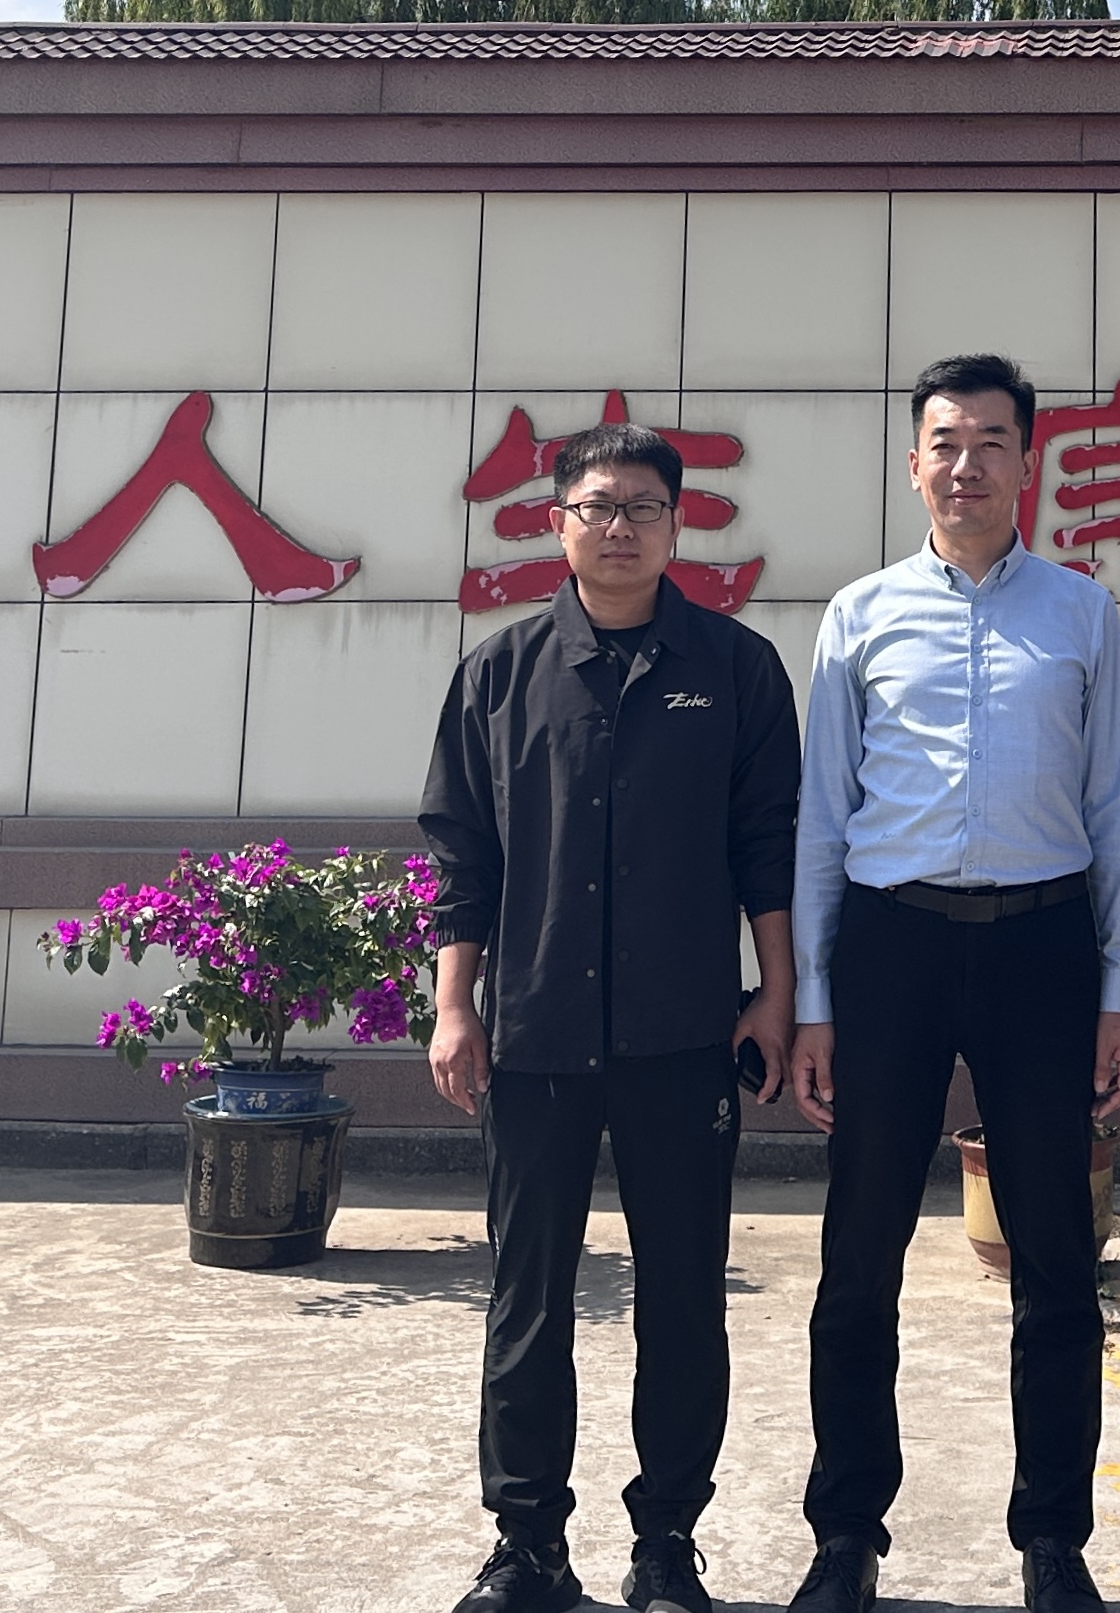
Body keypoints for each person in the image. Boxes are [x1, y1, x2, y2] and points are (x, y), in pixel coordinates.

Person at [783, 352, 1120, 1613]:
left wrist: (1118, 990)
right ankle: (846, 1533)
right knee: (859, 1253)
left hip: (1041, 949)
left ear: (1026, 462)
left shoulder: (1080, 614)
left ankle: (1053, 1539)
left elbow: (1114, 805)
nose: (967, 463)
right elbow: (822, 817)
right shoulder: (859, 614)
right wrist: (814, 1001)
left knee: (1054, 1257)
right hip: (891, 946)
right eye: (945, 441)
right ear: (913, 463)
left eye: (992, 440)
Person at [419, 419, 803, 1613]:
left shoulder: (735, 668)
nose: (620, 526)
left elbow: (769, 846)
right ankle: (526, 1543)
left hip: (684, 1034)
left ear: (677, 523)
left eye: (643, 506)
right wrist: (453, 1003)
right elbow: (463, 853)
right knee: (528, 1295)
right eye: (597, 506)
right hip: (533, 1032)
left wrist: (777, 992)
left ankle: (667, 1541)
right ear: (557, 524)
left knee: (682, 1296)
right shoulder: (499, 673)